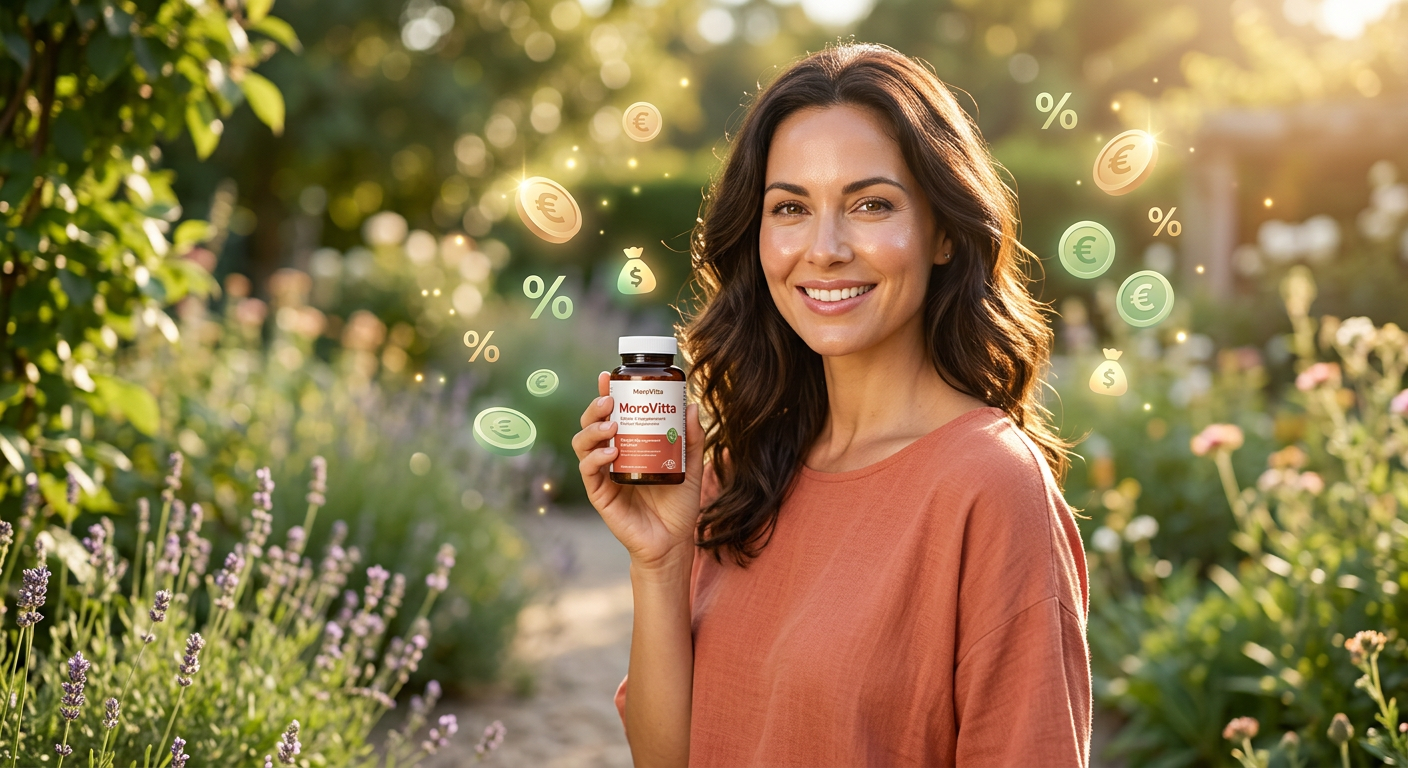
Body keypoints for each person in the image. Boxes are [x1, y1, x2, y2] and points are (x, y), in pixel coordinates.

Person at [572, 42, 1091, 767]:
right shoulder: (744, 467)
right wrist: (659, 562)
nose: (824, 248)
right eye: (790, 207)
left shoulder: (991, 487)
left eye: (870, 204)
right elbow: (672, 758)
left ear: (944, 231)